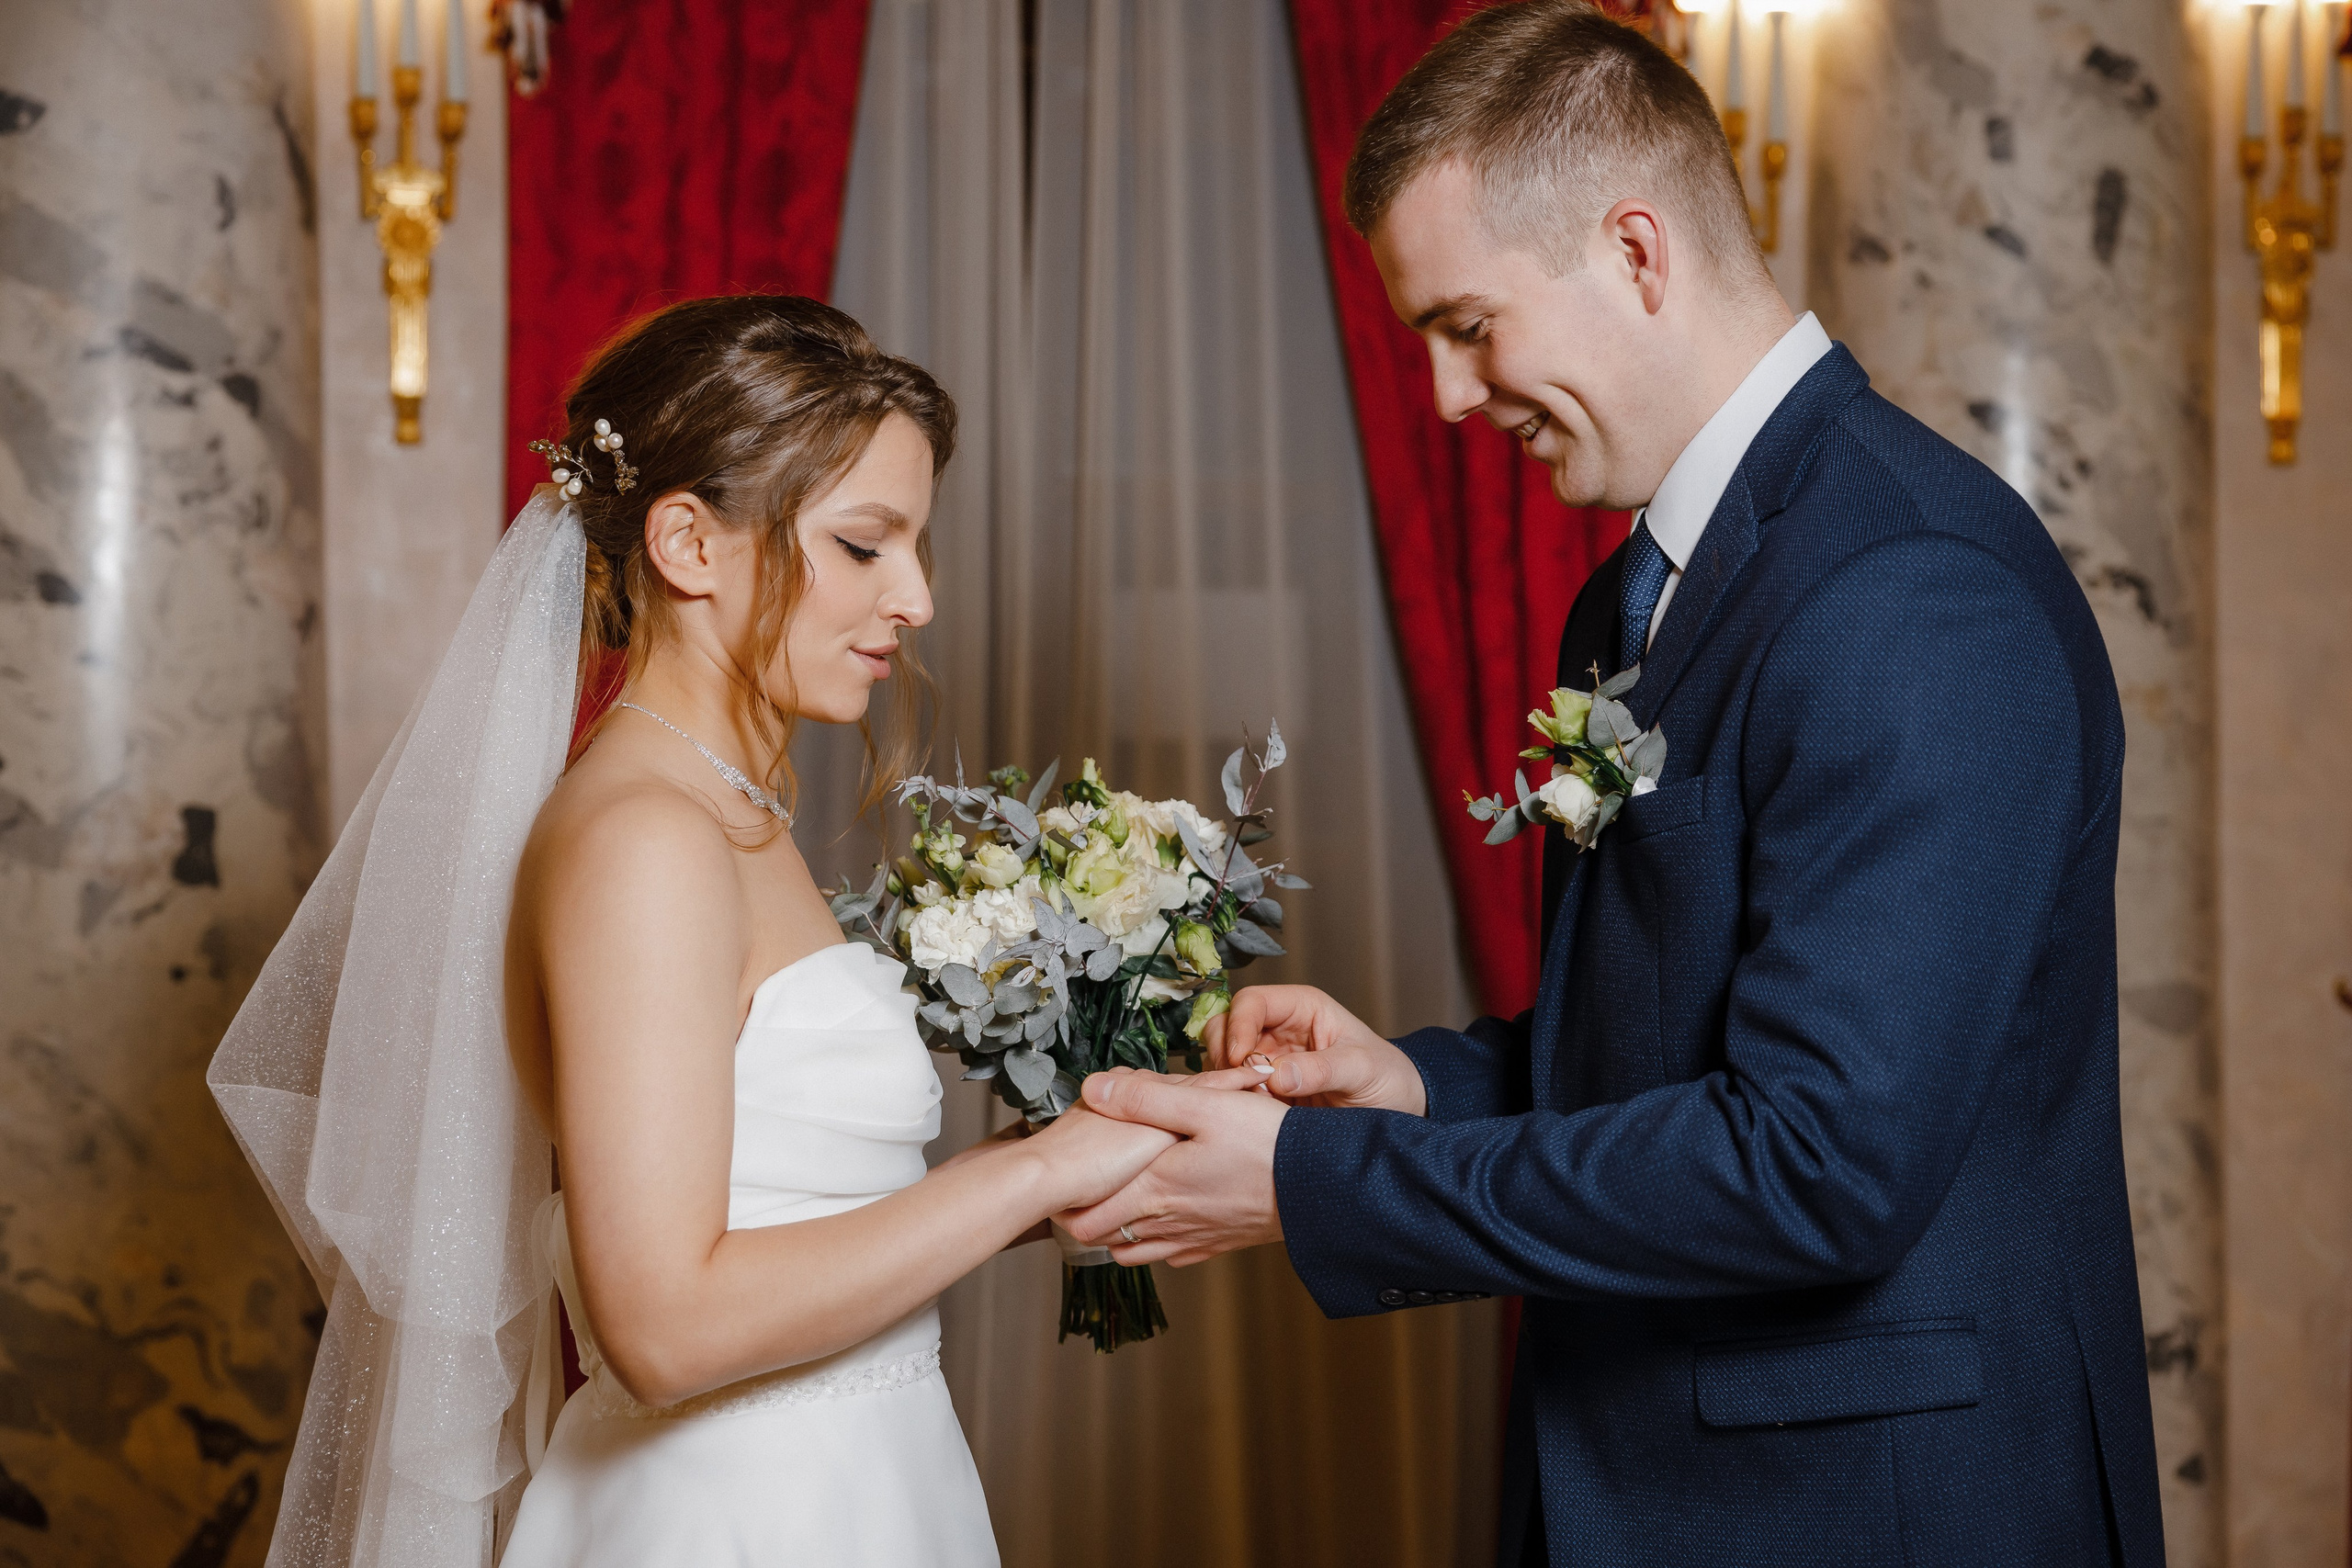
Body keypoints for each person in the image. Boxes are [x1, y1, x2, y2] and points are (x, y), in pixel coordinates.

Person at [1064, 5, 2166, 1565]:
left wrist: (1326, 1179)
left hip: (1872, 1514)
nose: (1451, 398)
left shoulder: (1912, 588)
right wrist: (1414, 1087)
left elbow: (1820, 1163)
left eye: (1469, 325)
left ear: (1636, 252)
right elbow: (1679, 1034)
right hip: (1651, 1483)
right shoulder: (1633, 593)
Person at [209, 296, 1170, 1567]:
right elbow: (662, 1328)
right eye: (866, 546)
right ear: (689, 543)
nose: (919, 598)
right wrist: (1026, 1174)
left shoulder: (728, 813)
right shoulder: (643, 843)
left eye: (916, 547)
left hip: (852, 1486)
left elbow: (784, 1212)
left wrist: (1066, 1171)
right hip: (730, 1516)